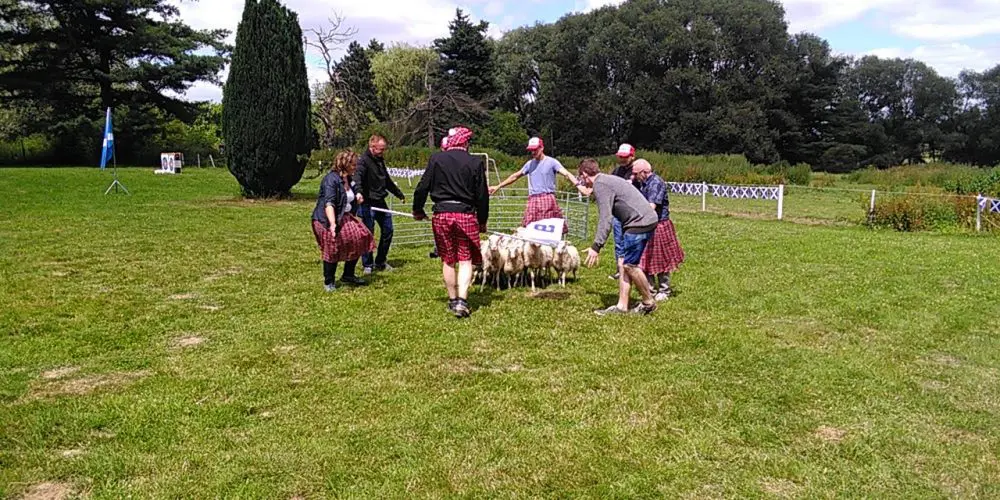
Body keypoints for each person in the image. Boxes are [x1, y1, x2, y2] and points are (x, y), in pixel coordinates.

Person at [412, 126, 489, 318]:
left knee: (448, 259)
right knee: (465, 259)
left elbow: (422, 187)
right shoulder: (475, 162)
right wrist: (482, 220)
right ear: (466, 142)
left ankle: (453, 299)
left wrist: (417, 209)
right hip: (465, 214)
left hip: (442, 214)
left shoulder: (436, 159)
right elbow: (482, 195)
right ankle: (462, 301)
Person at [576, 158, 659, 315]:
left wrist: (596, 246)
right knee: (622, 263)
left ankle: (648, 302)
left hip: (640, 223)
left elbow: (605, 218)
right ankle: (622, 306)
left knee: (630, 265)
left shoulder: (600, 185)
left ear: (585, 174)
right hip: (641, 220)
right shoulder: (605, 180)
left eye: (580, 176)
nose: (581, 180)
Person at [311, 150, 376, 291]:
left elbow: (354, 188)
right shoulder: (331, 180)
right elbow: (329, 203)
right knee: (333, 246)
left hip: (344, 216)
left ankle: (348, 275)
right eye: (353, 165)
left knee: (361, 238)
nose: (356, 167)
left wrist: (358, 194)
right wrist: (333, 224)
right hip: (326, 219)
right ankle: (329, 282)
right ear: (344, 164)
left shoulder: (349, 178)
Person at [488, 136, 579, 234]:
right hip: (533, 199)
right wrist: (498, 186)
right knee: (530, 227)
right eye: (531, 150)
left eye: (535, 149)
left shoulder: (552, 162)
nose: (533, 152)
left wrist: (579, 185)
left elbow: (566, 173)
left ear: (542, 148)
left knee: (550, 227)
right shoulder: (529, 164)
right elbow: (515, 176)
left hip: (547, 198)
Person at [631, 159, 684, 300]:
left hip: (659, 224)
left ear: (644, 172)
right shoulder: (640, 182)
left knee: (662, 258)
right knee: (645, 258)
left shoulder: (656, 182)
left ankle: (664, 290)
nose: (633, 176)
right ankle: (649, 289)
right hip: (645, 224)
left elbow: (651, 206)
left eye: (635, 173)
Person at [354, 134, 406, 275]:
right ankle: (368, 264)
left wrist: (398, 194)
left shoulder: (380, 160)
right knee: (368, 234)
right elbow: (357, 178)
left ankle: (380, 261)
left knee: (388, 230)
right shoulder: (363, 161)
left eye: (384, 149)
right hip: (367, 203)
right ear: (372, 147)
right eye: (381, 149)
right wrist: (358, 192)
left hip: (380, 201)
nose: (383, 152)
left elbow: (386, 180)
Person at [607, 143, 638, 281]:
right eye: (620, 157)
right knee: (619, 242)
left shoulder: (637, 171)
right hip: (618, 213)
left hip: (633, 213)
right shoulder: (616, 172)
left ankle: (634, 269)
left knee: (633, 242)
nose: (622, 159)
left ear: (632, 156)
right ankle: (620, 269)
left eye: (625, 157)